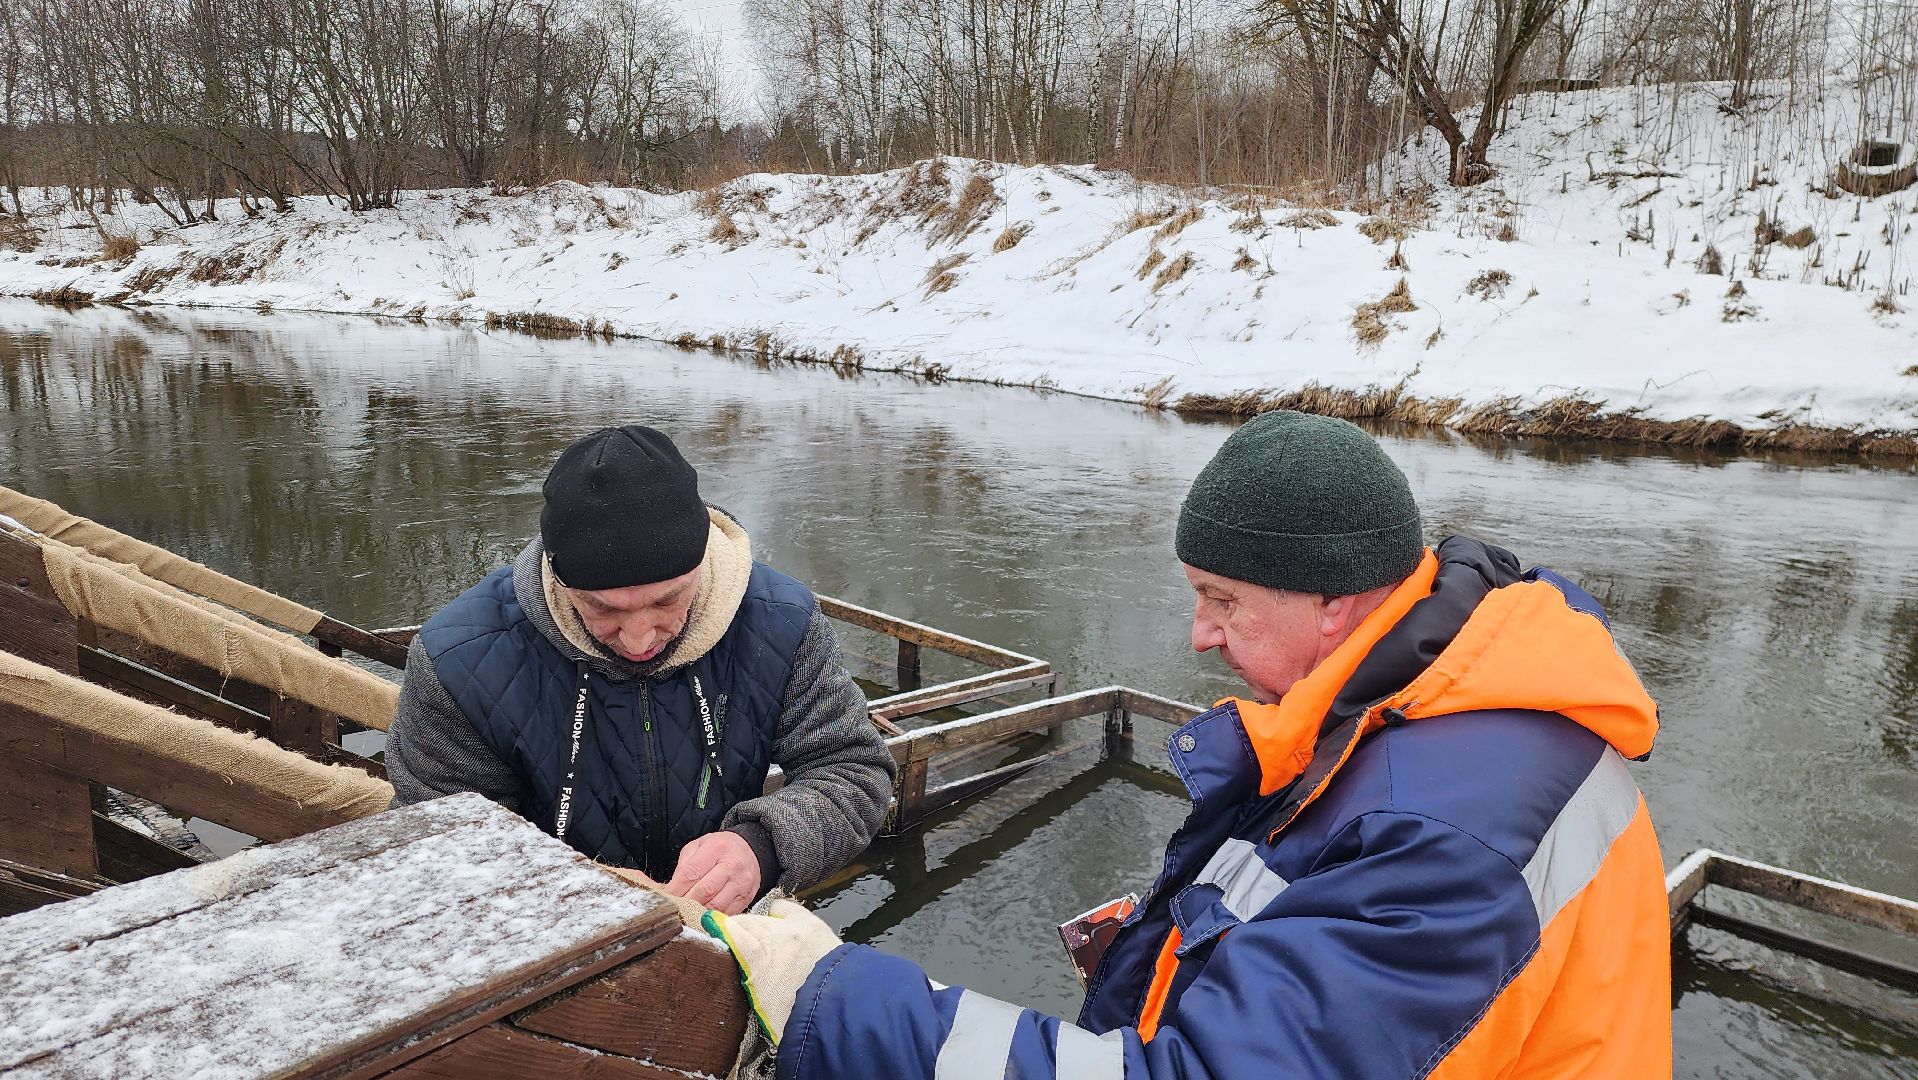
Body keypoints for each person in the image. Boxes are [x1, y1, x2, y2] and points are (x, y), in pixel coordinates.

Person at [705, 410, 1672, 1078]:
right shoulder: (1418, 712)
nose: (1200, 634)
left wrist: (829, 993)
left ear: (1335, 602)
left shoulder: (1445, 830)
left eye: (1223, 600)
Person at [386, 424, 897, 915]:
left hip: (726, 933)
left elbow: (854, 771)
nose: (639, 640)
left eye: (668, 600)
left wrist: (762, 847)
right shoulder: (455, 662)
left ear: (700, 561)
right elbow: (438, 846)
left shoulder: (784, 623)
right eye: (602, 609)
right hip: (545, 950)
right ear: (559, 579)